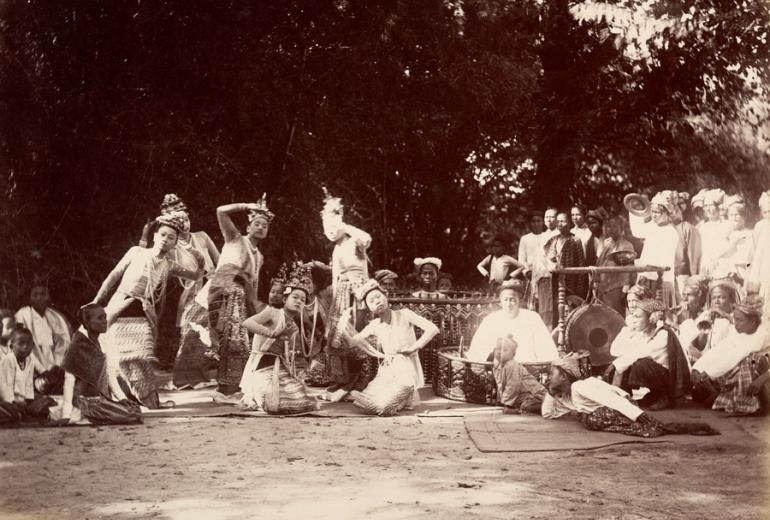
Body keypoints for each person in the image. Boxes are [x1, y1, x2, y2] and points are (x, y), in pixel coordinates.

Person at [93, 211, 201, 408]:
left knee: (142, 356)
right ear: (154, 236)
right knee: (116, 358)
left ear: (175, 243)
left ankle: (148, 399)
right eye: (162, 235)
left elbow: (194, 275)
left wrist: (195, 254)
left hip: (142, 311)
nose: (165, 240)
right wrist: (96, 301)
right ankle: (123, 397)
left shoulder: (169, 264)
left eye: (171, 237)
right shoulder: (136, 252)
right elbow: (113, 276)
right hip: (120, 306)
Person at [543, 353, 716, 437]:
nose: (549, 377)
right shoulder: (567, 394)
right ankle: (651, 427)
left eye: (553, 373)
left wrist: (639, 415)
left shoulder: (581, 386)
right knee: (588, 418)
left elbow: (610, 399)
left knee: (591, 419)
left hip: (623, 406)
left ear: (564, 376)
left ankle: (646, 427)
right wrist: (550, 391)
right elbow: (548, 413)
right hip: (618, 408)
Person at [207, 195, 273, 401]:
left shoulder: (259, 256)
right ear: (248, 226)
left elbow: (254, 284)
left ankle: (230, 387)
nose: (261, 227)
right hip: (223, 294)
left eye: (265, 225)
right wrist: (246, 205)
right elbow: (220, 210)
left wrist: (257, 310)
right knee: (228, 342)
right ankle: (224, 389)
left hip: (241, 300)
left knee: (239, 343)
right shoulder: (235, 238)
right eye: (257, 223)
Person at [347, 279, 439, 415]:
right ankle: (378, 402)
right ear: (369, 308)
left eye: (378, 297)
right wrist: (344, 328)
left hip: (405, 367)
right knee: (366, 400)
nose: (376, 301)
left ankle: (389, 403)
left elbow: (433, 328)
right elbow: (354, 341)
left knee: (389, 401)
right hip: (388, 369)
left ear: (386, 296)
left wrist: (415, 347)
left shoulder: (404, 314)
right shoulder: (374, 324)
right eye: (371, 301)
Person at [239, 265, 318, 414]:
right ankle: (259, 395)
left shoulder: (294, 326)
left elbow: (288, 355)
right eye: (295, 297)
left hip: (278, 369)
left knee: (308, 402)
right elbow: (247, 323)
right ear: (284, 298)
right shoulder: (273, 312)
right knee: (275, 405)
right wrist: (271, 333)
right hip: (262, 366)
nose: (299, 301)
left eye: (302, 300)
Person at [320, 188, 375, 400]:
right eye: (327, 227)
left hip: (358, 293)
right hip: (341, 295)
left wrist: (342, 224)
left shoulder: (353, 240)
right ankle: (341, 381)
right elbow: (335, 277)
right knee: (336, 336)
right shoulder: (336, 248)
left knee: (355, 335)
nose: (331, 231)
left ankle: (355, 383)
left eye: (334, 226)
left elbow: (367, 238)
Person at [58, 304, 142, 425]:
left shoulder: (102, 342)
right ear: (87, 323)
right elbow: (69, 381)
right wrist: (65, 415)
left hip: (100, 400)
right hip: (85, 402)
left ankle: (95, 416)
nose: (105, 321)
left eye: (105, 317)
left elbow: (110, 375)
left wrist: (122, 398)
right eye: (100, 318)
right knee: (132, 415)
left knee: (134, 409)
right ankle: (86, 415)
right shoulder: (77, 346)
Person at [691, 295, 770, 414]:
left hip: (764, 377)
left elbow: (737, 356)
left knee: (751, 360)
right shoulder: (738, 334)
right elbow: (718, 351)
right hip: (735, 374)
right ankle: (720, 394)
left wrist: (762, 379)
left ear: (753, 321)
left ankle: (750, 403)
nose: (735, 324)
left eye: (739, 320)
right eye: (735, 319)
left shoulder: (763, 335)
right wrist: (698, 368)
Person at [607, 298, 690, 410]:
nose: (633, 320)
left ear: (651, 318)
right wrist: (626, 332)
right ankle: (625, 396)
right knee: (624, 362)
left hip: (669, 379)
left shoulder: (663, 334)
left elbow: (640, 354)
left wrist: (617, 366)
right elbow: (615, 351)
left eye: (638, 317)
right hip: (657, 373)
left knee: (639, 364)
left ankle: (664, 397)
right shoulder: (643, 333)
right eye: (633, 316)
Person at [466, 280, 559, 363]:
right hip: (498, 367)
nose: (508, 304)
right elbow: (479, 346)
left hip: (527, 366)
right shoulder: (491, 320)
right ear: (500, 302)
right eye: (505, 300)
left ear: (520, 301)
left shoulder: (532, 318)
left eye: (512, 300)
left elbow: (544, 346)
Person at [14, 284, 72, 394]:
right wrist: (42, 370)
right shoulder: (22, 315)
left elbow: (62, 343)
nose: (39, 298)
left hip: (54, 367)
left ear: (49, 297)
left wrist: (57, 365)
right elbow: (22, 346)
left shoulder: (54, 317)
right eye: (35, 295)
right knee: (41, 387)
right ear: (30, 298)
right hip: (33, 367)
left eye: (43, 294)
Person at [628, 192, 680, 308]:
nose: (654, 215)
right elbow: (637, 231)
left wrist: (646, 265)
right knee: (644, 310)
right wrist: (633, 209)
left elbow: (665, 259)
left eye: (658, 212)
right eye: (652, 212)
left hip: (661, 278)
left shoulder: (671, 232)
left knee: (661, 310)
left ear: (667, 213)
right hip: (646, 276)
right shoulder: (652, 226)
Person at [541, 212, 588, 328]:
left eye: (563, 221)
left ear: (569, 223)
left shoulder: (575, 240)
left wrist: (580, 288)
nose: (560, 224)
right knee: (556, 308)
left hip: (571, 281)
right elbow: (546, 256)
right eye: (558, 221)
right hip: (555, 281)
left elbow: (581, 264)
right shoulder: (553, 240)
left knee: (570, 309)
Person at [0, 327, 55, 426]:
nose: (25, 347)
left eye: (28, 344)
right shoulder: (8, 360)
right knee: (12, 413)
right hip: (7, 400)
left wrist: (29, 400)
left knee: (47, 402)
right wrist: (12, 402)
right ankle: (19, 414)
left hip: (22, 400)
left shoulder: (29, 360)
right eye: (21, 344)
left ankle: (25, 412)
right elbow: (5, 386)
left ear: (33, 346)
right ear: (11, 346)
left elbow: (29, 383)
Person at [687, 279, 737, 364]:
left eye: (722, 297)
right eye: (714, 298)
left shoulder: (736, 317)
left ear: (731, 300)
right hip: (708, 362)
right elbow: (699, 346)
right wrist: (704, 331)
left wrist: (725, 316)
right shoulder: (706, 315)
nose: (716, 301)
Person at [596, 216, 636, 315]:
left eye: (614, 226)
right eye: (609, 226)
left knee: (615, 317)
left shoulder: (627, 245)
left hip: (617, 289)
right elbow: (600, 263)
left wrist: (625, 290)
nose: (611, 229)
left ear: (621, 228)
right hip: (603, 288)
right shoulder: (607, 244)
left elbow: (629, 270)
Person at [711, 198, 752, 286]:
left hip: (744, 273)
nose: (734, 218)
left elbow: (750, 259)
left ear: (743, 217)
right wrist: (729, 240)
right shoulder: (725, 234)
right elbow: (716, 255)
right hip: (726, 274)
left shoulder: (750, 234)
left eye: (736, 215)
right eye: (731, 215)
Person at [698, 189, 731, 276]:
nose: (708, 209)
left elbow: (729, 251)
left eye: (711, 205)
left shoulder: (728, 226)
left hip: (723, 269)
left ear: (718, 207)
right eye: (705, 206)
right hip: (705, 269)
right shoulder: (702, 228)